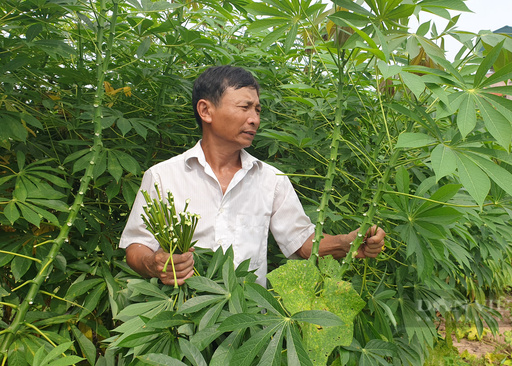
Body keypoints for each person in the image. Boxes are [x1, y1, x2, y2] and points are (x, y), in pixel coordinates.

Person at [119, 65, 385, 286]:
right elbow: (136, 246)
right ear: (206, 110)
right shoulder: (163, 176)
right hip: (179, 323)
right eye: (245, 107)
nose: (255, 119)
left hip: (247, 321)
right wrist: (153, 264)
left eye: (257, 110)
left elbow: (301, 244)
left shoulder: (271, 179)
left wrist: (348, 243)